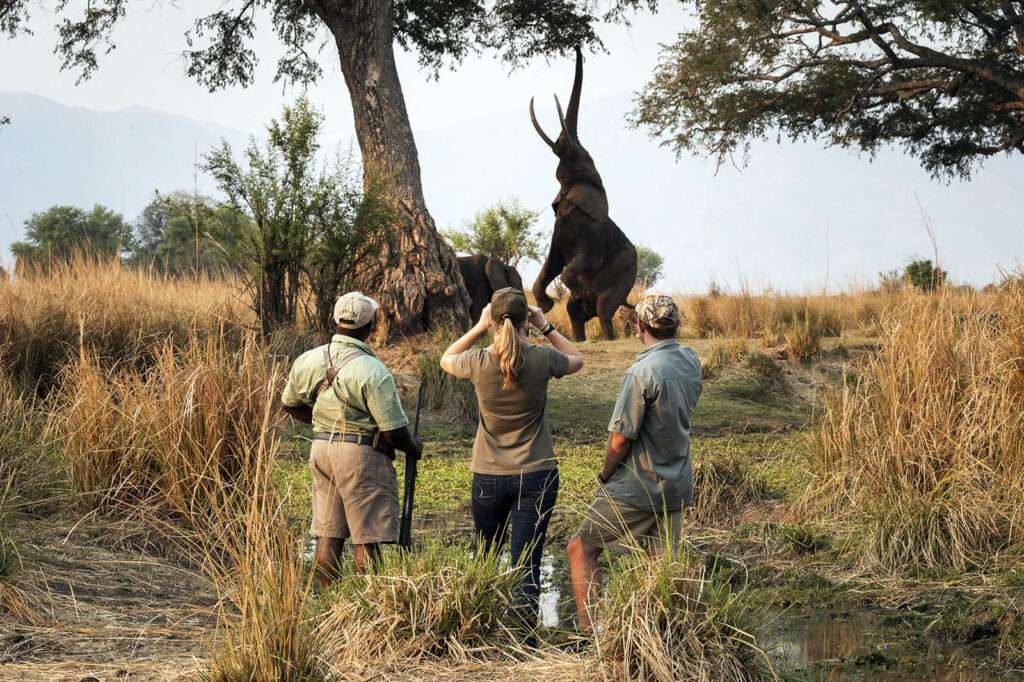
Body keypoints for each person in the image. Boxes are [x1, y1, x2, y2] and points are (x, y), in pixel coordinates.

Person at [439, 287, 584, 632]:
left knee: (486, 556)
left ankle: (479, 629)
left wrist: (477, 327)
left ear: (493, 320)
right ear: (525, 321)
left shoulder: (477, 362)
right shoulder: (542, 359)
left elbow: (446, 358)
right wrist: (546, 325)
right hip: (537, 474)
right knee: (526, 561)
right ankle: (523, 638)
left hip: (488, 475)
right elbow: (577, 359)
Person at [567, 294, 701, 633]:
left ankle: (591, 634)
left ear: (639, 326)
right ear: (676, 325)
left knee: (580, 549)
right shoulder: (690, 360)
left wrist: (604, 474)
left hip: (638, 485)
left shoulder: (641, 373)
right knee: (662, 569)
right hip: (677, 483)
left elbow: (620, 439)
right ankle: (661, 639)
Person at [281, 292, 422, 584]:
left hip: (321, 449)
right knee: (366, 539)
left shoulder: (308, 359)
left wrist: (323, 423)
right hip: (360, 457)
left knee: (329, 536)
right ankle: (369, 608)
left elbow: (290, 404)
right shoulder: (374, 371)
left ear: (335, 320)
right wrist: (413, 447)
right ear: (371, 326)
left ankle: (328, 603)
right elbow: (393, 431)